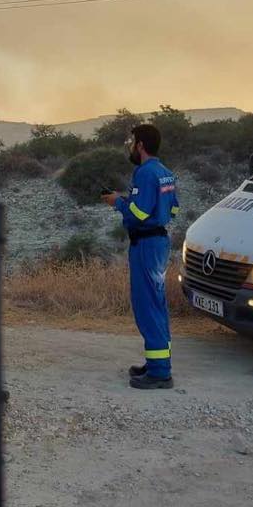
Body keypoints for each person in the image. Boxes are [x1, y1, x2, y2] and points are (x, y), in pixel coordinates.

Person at [102, 122, 179, 390]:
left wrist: (118, 203)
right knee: (157, 304)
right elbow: (173, 211)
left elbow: (139, 214)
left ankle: (159, 372)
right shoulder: (166, 173)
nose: (130, 147)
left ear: (141, 145)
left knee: (147, 306)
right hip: (159, 242)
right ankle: (158, 361)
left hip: (146, 245)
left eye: (132, 141)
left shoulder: (145, 173)